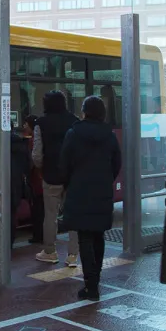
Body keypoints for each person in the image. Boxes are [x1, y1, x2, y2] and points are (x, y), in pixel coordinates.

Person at [61, 96, 122, 301]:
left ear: (84, 111)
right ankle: (95, 282)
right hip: (102, 191)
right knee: (98, 236)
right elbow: (116, 163)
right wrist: (105, 180)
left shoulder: (73, 133)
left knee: (84, 237)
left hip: (79, 191)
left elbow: (65, 163)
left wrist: (70, 183)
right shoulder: (110, 135)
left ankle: (90, 286)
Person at [32, 90, 80, 265]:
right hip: (72, 176)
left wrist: (40, 167)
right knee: (73, 215)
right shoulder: (74, 121)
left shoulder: (41, 123)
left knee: (50, 215)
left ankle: (50, 251)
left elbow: (37, 153)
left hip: (51, 175)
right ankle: (73, 255)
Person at [21, 115, 44, 244]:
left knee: (37, 208)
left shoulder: (33, 142)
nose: (24, 126)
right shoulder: (37, 139)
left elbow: (32, 161)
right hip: (40, 180)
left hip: (36, 181)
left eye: (26, 124)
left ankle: (38, 235)